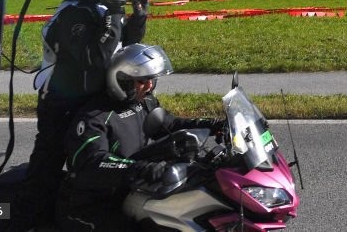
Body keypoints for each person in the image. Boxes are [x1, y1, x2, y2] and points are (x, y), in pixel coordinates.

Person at [7, 0, 152, 231]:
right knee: (46, 169)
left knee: (99, 162)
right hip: (62, 104)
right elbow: (94, 59)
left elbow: (120, 47)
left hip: (94, 98)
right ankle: (25, 224)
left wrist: (138, 18)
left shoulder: (99, 7)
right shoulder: (74, 13)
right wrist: (114, 12)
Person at [60, 44, 225, 232]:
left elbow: (169, 125)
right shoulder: (94, 116)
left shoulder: (143, 103)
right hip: (90, 203)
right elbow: (92, 162)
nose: (148, 86)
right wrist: (140, 168)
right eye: (142, 81)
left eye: (151, 80)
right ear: (121, 80)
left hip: (131, 192)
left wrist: (214, 125)